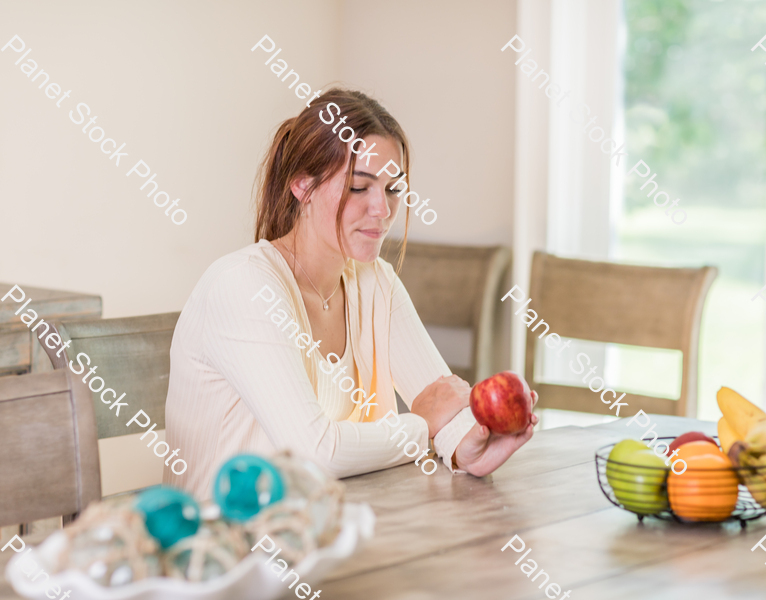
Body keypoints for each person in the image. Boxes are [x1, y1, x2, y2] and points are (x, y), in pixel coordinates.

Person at [163, 88, 537, 499]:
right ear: (302, 186)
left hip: (330, 534)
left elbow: (442, 405)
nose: (382, 208)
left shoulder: (377, 283)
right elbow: (314, 454)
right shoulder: (243, 285)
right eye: (360, 187)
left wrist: (469, 446)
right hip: (223, 551)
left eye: (393, 189)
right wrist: (424, 426)